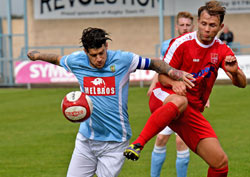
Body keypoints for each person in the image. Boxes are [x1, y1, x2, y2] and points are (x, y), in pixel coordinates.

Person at [27, 27, 194, 177]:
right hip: (86, 140)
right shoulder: (76, 61)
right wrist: (37, 56)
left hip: (115, 142)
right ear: (86, 52)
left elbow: (154, 63)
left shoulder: (124, 59)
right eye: (94, 55)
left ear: (106, 46)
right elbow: (57, 59)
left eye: (101, 53)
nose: (99, 59)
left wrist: (176, 73)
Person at [124, 1, 247, 177]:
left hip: (191, 111)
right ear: (198, 22)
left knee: (220, 163)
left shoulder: (222, 50)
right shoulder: (181, 43)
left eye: (212, 25)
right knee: (179, 101)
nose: (206, 28)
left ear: (221, 27)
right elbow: (162, 75)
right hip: (164, 97)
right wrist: (174, 83)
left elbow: (242, 83)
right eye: (203, 23)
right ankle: (138, 144)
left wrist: (235, 74)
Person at [148, 11, 195, 177]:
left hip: (189, 99)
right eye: (181, 25)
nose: (184, 28)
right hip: (169, 96)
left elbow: (202, 75)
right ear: (176, 27)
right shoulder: (167, 45)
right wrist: (153, 85)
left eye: (187, 25)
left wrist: (206, 97)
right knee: (160, 139)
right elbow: (162, 68)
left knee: (181, 141)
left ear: (193, 26)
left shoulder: (197, 46)